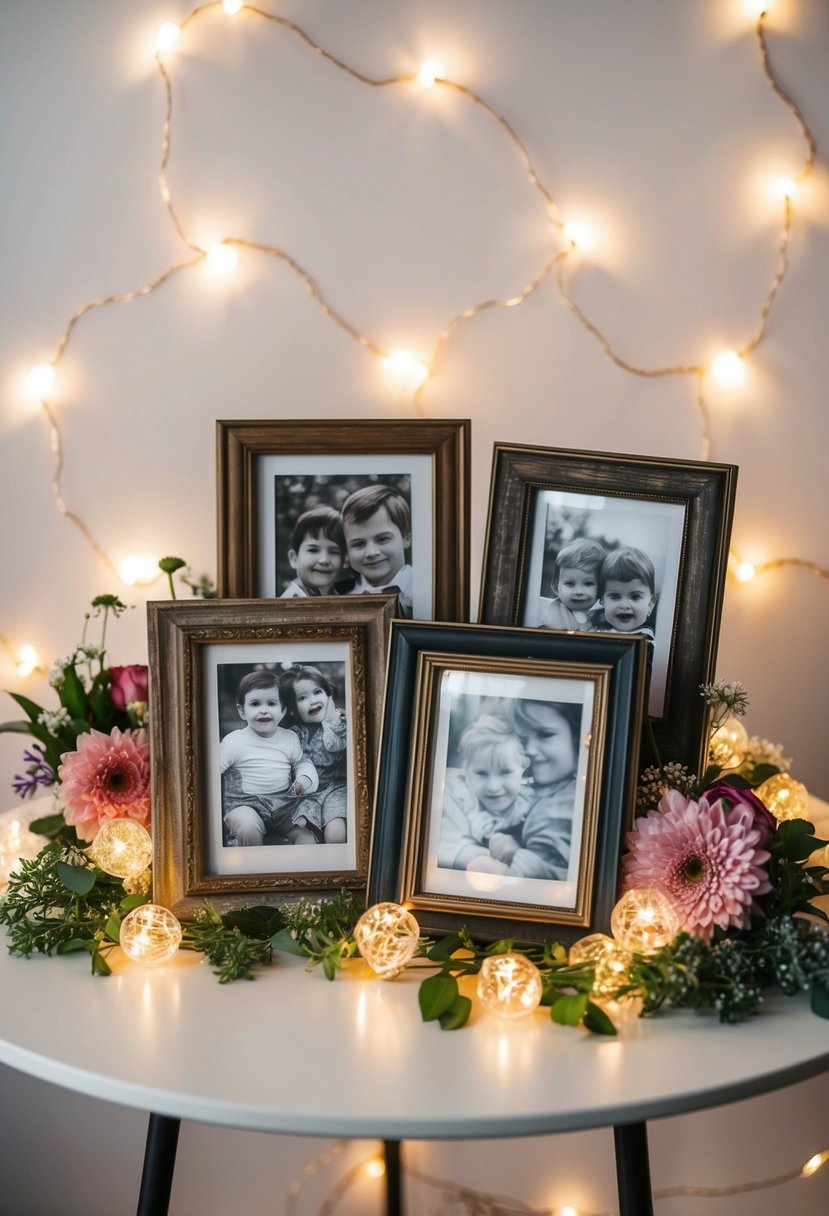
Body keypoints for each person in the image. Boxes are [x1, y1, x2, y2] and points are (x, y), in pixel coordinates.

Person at [470, 699, 580, 881]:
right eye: (522, 739)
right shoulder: (534, 788)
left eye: (545, 735)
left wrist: (516, 855)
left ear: (578, 736)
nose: (530, 749)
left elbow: (543, 880)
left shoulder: (564, 805)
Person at [220, 670, 319, 847]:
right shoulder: (234, 742)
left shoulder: (290, 738)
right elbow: (212, 771)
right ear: (241, 711)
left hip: (283, 805)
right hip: (243, 803)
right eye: (255, 704)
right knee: (247, 826)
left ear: (283, 711)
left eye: (271, 703)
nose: (263, 710)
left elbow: (302, 763)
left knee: (307, 836)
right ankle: (250, 869)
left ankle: (302, 872)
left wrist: (304, 780)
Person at [438, 714, 532, 871]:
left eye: (505, 772)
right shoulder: (458, 797)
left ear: (523, 767)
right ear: (466, 771)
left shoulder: (531, 805)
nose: (493, 786)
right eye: (481, 773)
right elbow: (449, 845)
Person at [280, 664, 348, 844]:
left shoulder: (338, 721)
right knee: (305, 832)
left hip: (336, 789)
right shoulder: (293, 733)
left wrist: (332, 717)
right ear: (292, 708)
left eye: (318, 692)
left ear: (328, 693)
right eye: (302, 697)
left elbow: (339, 744)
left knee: (336, 833)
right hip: (307, 794)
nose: (313, 700)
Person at [339, 484, 413, 617]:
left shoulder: (429, 590)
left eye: (383, 539)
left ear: (406, 537)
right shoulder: (340, 598)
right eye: (359, 544)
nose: (371, 552)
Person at [590, 546, 657, 640]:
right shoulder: (593, 631)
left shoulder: (647, 641)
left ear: (650, 603)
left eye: (635, 597)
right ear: (602, 600)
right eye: (615, 597)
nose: (624, 605)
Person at [538, 537, 604, 630]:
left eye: (588, 584)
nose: (578, 591)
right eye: (570, 583)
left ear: (601, 586)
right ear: (556, 586)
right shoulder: (548, 612)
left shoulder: (606, 615)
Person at [280, 506, 346, 598]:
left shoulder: (340, 597)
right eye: (313, 550)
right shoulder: (288, 604)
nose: (324, 560)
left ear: (344, 560)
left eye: (333, 552)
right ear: (294, 559)